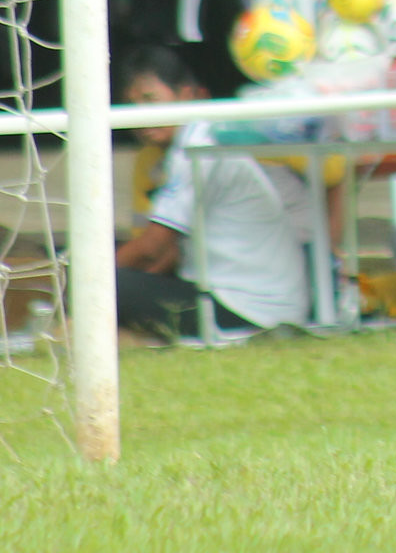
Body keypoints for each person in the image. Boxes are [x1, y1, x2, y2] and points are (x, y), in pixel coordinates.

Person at [113, 47, 311, 343]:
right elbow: (169, 251)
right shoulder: (200, 137)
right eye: (132, 105)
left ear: (187, 94)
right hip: (254, 302)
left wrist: (87, 272)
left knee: (99, 283)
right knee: (111, 263)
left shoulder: (197, 147)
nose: (141, 116)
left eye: (150, 99)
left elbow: (153, 247)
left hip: (249, 313)